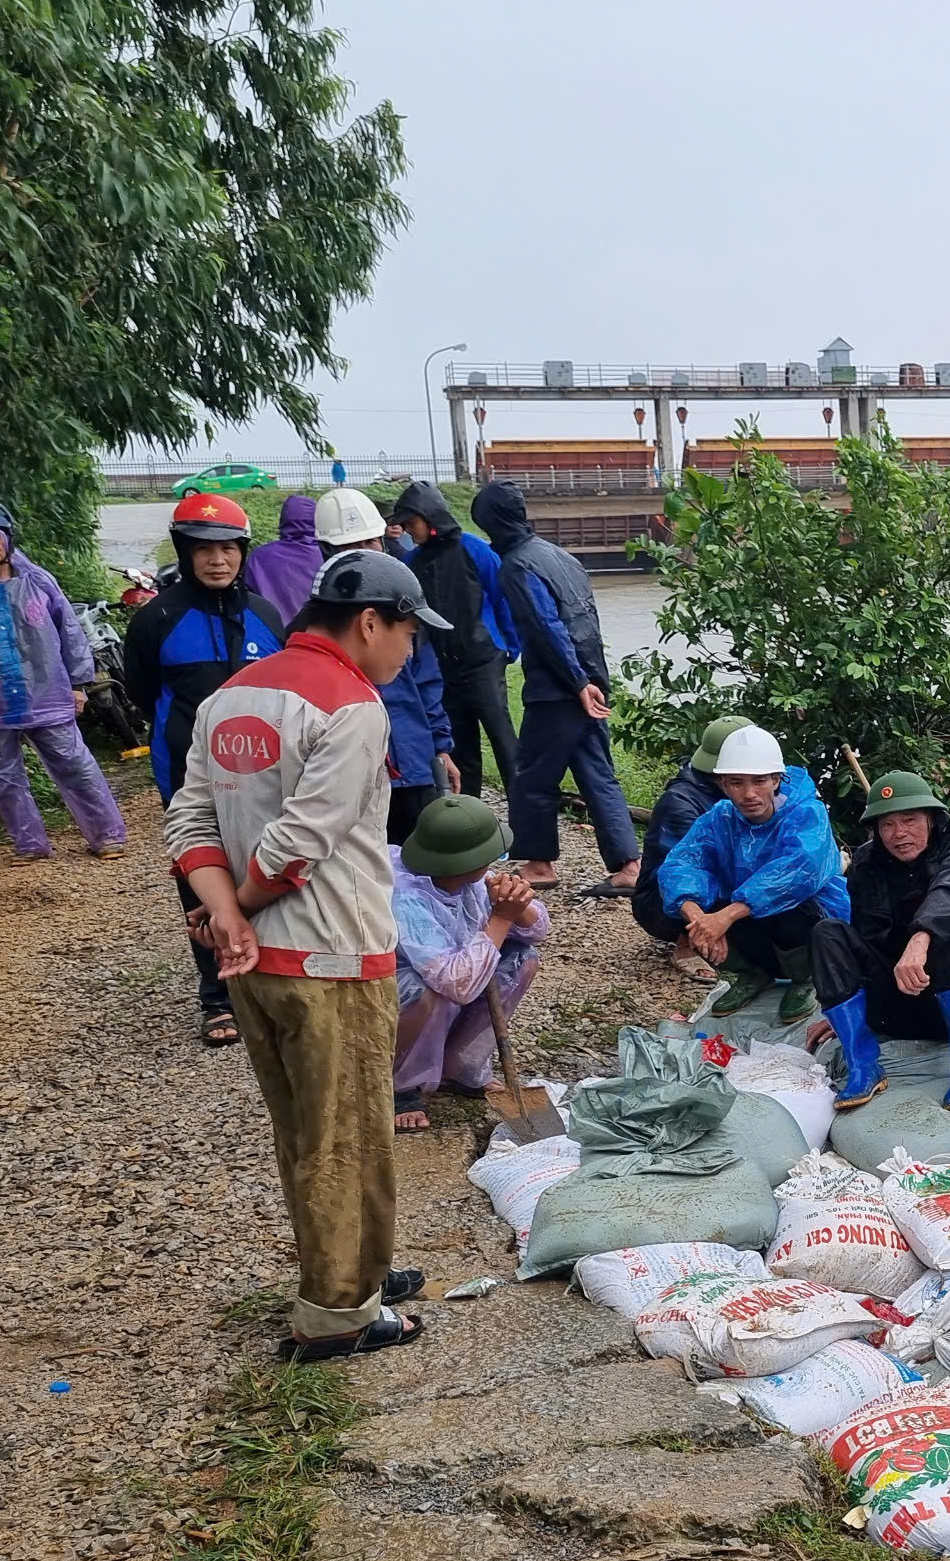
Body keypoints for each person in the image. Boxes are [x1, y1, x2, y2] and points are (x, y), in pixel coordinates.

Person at [165, 549, 452, 1362]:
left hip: (258, 969)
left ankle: (360, 1267)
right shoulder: (353, 705)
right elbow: (302, 842)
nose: (410, 653)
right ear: (370, 623)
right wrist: (243, 908)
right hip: (331, 957)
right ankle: (337, 1316)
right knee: (346, 1136)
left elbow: (189, 818)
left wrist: (223, 913)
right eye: (408, 635)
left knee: (308, 1129)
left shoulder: (232, 694)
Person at [125, 492, 290, 1045]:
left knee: (268, 869)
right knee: (203, 878)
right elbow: (144, 692)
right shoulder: (157, 619)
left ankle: (271, 975)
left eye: (227, 548)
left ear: (243, 552)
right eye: (203, 549)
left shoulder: (266, 617)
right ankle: (217, 996)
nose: (217, 560)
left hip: (266, 773)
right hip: (189, 774)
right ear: (185, 552)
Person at [0, 497, 129, 863]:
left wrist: (79, 684)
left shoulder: (38, 581)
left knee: (75, 764)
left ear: (8, 538)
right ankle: (29, 844)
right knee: (2, 776)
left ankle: (107, 835)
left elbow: (69, 631)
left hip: (47, 694)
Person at [467, 481, 639, 895]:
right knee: (598, 772)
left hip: (558, 688)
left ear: (492, 525)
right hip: (591, 678)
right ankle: (630, 865)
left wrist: (576, 683)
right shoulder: (560, 555)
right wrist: (593, 680)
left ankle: (539, 863)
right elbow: (586, 623)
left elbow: (547, 628)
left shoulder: (517, 566)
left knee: (531, 776)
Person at [813, 771, 950, 1114]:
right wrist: (841, 1002)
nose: (899, 834)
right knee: (828, 932)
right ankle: (864, 1066)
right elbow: (861, 940)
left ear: (931, 819)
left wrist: (920, 939)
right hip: (896, 1005)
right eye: (887, 825)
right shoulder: (866, 862)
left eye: (909, 820)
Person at [655, 723, 847, 1023]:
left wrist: (725, 917)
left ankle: (806, 978)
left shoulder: (806, 813)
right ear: (722, 784)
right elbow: (680, 864)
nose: (749, 794)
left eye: (759, 781)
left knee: (790, 904)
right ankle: (750, 973)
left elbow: (800, 870)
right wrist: (700, 921)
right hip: (755, 925)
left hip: (813, 927)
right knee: (692, 901)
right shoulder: (720, 818)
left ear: (775, 779)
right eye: (736, 783)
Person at [390, 794, 550, 1133]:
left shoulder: (472, 878)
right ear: (460, 863)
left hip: (453, 971)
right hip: (397, 986)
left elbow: (537, 932)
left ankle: (458, 1066)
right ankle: (399, 1084)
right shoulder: (406, 895)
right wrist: (500, 919)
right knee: (428, 994)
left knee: (523, 960)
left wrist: (517, 906)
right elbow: (456, 983)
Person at [309, 489, 454, 843]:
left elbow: (427, 681)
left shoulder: (403, 606)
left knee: (424, 867)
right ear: (328, 554)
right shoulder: (313, 624)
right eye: (348, 549)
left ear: (384, 541)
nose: (362, 556)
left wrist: (441, 747)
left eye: (368, 543)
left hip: (413, 763)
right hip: (352, 774)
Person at [392, 479, 518, 799]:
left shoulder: (474, 549)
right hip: (444, 670)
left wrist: (511, 646)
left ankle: (527, 823)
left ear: (430, 517)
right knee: (462, 751)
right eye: (404, 525)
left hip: (483, 661)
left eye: (412, 523)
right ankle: (471, 826)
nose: (408, 531)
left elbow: (503, 597)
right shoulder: (410, 563)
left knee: (504, 743)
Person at [632, 714, 749, 982]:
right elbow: (686, 870)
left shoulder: (746, 792)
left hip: (722, 887)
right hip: (663, 901)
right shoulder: (681, 803)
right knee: (707, 875)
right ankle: (688, 943)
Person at [241, 493, 325, 614]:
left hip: (271, 629)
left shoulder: (259, 557)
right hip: (315, 630)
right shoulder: (327, 555)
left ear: (283, 520)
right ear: (316, 520)